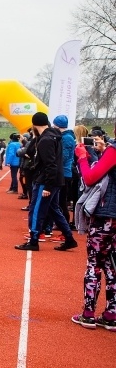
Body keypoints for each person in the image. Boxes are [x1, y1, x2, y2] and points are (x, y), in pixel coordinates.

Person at [15, 112, 78, 252]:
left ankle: (33, 240)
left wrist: (47, 186)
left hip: (46, 180)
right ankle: (69, 238)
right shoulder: (55, 136)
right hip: (56, 179)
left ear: (34, 124)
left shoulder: (45, 140)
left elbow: (50, 164)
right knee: (53, 209)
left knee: (36, 210)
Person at [72, 136, 116, 330]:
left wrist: (83, 158)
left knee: (94, 263)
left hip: (105, 216)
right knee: (112, 265)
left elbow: (90, 178)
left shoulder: (114, 151)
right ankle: (111, 314)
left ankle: (88, 314)